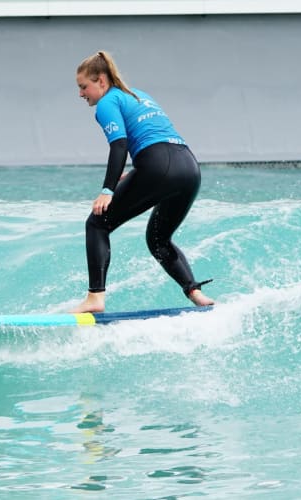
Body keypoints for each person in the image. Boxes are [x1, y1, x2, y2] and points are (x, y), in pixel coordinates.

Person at [71, 50, 214, 313]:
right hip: (188, 167)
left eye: (83, 87)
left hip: (157, 165)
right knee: (159, 239)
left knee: (97, 224)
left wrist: (108, 190)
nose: (81, 94)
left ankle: (95, 298)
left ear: (101, 81)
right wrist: (139, 171)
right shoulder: (139, 95)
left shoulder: (106, 103)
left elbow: (120, 144)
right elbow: (152, 137)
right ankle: (196, 293)